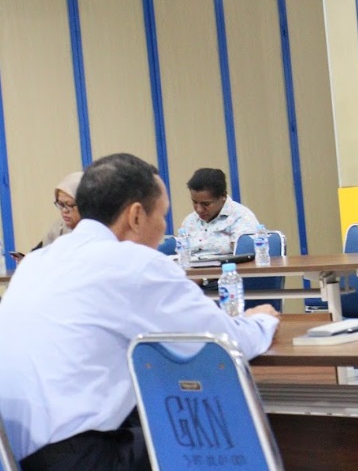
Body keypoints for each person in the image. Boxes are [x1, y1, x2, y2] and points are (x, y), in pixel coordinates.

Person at [0, 153, 279, 469]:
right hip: (78, 456)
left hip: (14, 453)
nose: (164, 227)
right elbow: (222, 343)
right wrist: (261, 321)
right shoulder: (133, 263)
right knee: (210, 433)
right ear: (135, 216)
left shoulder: (36, 262)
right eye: (162, 215)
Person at [178, 168, 259, 254]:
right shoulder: (189, 221)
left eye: (206, 204)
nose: (199, 209)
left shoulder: (241, 218)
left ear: (223, 196)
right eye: (194, 202)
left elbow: (246, 257)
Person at [37, 171, 83, 250]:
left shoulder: (98, 230)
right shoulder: (58, 228)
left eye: (69, 205)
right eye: (61, 204)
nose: (64, 210)